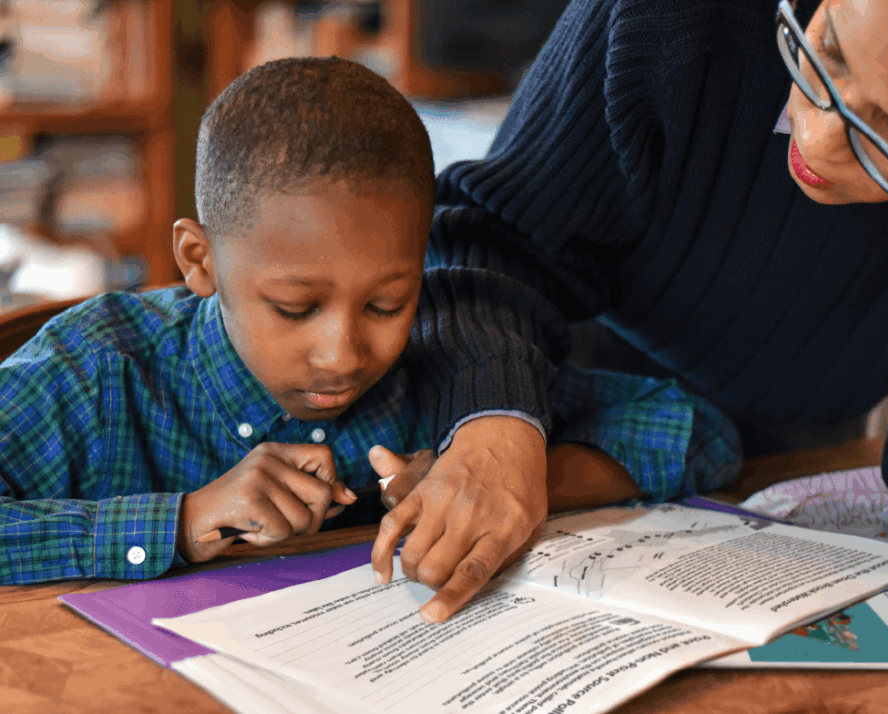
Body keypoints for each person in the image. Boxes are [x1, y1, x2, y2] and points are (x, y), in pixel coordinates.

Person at [370, 0, 888, 633]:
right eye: (827, 52)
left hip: (777, 459)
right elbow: (497, 240)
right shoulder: (673, 17)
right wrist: (493, 419)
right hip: (551, 392)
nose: (818, 138)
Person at [0, 56, 739, 586]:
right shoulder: (100, 373)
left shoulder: (444, 360)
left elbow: (701, 435)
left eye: (388, 302)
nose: (343, 353)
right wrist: (181, 521)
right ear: (200, 262)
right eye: (295, 307)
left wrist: (487, 478)